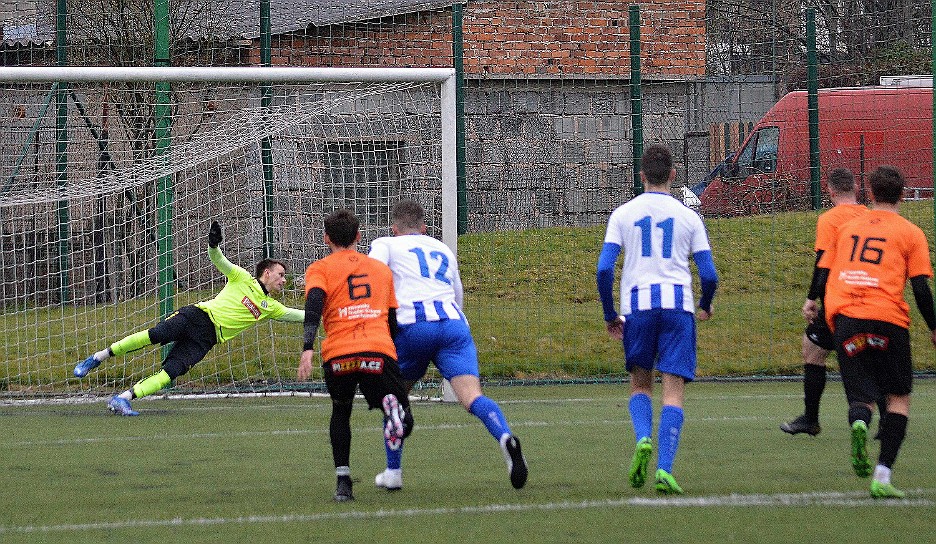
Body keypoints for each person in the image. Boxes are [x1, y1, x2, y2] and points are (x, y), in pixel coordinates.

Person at [367, 199, 528, 491]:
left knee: (392, 397)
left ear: (394, 228)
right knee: (472, 396)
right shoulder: (441, 248)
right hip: (453, 324)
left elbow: (373, 274)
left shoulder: (386, 244)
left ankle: (394, 472)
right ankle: (506, 437)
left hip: (413, 325)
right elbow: (457, 292)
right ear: (424, 228)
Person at [73, 221, 305, 416]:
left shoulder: (272, 308)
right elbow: (218, 260)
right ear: (267, 273)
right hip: (196, 316)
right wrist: (213, 244)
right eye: (281, 274)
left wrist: (328, 310)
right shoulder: (242, 278)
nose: (284, 280)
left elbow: (302, 316)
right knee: (154, 335)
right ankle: (96, 358)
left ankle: (122, 399)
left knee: (171, 372)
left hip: (207, 339)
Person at [807, 165, 936, 499]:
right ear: (903, 193)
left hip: (848, 319)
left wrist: (816, 304)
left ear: (871, 193)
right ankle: (882, 474)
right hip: (889, 320)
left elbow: (823, 270)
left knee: (861, 394)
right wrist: (934, 328)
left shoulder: (847, 228)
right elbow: (920, 288)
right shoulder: (911, 233)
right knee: (898, 398)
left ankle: (860, 422)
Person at [596, 144, 718, 495]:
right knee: (673, 391)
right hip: (678, 307)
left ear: (642, 175)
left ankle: (643, 438)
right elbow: (708, 274)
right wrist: (705, 304)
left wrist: (609, 315)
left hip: (638, 308)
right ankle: (665, 469)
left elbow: (604, 269)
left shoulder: (623, 214)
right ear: (674, 176)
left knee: (640, 385)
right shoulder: (689, 217)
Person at [297, 209, 413, 502]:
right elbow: (391, 319)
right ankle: (391, 406)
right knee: (401, 411)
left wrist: (307, 348)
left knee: (341, 410)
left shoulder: (319, 268)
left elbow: (314, 304)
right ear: (359, 237)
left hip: (340, 354)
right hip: (377, 350)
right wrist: (393, 356)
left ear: (326, 239)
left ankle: (343, 483)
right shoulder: (380, 269)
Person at [781, 168, 870, 436]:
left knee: (813, 351)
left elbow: (824, 265)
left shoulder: (829, 219)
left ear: (830, 191)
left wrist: (811, 299)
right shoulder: (870, 217)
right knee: (871, 358)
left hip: (840, 299)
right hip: (870, 296)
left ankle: (811, 418)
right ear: (856, 188)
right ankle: (888, 419)